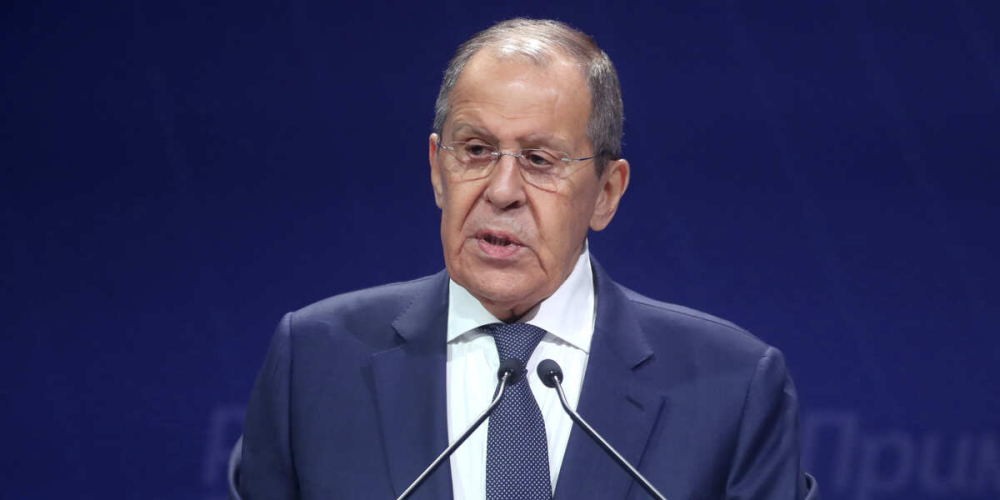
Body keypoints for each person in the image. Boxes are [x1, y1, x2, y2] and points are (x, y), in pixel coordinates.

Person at [238, 18, 816, 500]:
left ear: (607, 192)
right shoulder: (314, 362)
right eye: (476, 150)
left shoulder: (733, 388)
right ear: (437, 169)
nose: (501, 190)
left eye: (540, 160)